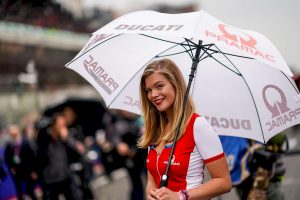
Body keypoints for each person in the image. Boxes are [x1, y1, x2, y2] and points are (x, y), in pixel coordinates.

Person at [137, 59, 232, 200]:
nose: (153, 94)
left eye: (159, 86)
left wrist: (180, 196)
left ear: (175, 85)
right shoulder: (155, 129)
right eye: (148, 90)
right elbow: (152, 180)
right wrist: (151, 193)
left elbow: (224, 182)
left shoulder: (197, 125)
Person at [36, 113, 83, 200]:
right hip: (51, 180)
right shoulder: (44, 139)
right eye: (60, 125)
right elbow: (40, 154)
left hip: (66, 176)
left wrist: (67, 140)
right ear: (53, 126)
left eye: (63, 125)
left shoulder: (66, 138)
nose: (62, 128)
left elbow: (77, 152)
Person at [4, 124, 37, 200]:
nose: (13, 134)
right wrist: (11, 167)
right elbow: (7, 158)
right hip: (16, 171)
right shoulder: (9, 145)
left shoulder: (26, 142)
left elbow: (33, 156)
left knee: (30, 190)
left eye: (14, 132)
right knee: (19, 191)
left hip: (28, 170)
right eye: (11, 133)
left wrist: (33, 170)